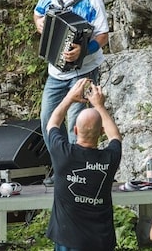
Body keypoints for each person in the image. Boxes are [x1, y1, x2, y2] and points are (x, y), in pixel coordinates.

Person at [34, 0, 110, 147]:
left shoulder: (92, 0)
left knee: (77, 124)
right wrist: (39, 24)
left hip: (84, 71)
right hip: (56, 72)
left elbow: (103, 36)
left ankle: (75, 170)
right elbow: (37, 14)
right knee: (48, 120)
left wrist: (82, 51)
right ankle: (61, 167)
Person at [45, 78, 122, 251]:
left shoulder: (62, 153)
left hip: (68, 241)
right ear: (101, 132)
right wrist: (100, 106)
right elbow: (115, 137)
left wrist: (69, 98)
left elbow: (52, 123)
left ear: (75, 130)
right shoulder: (110, 158)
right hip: (101, 242)